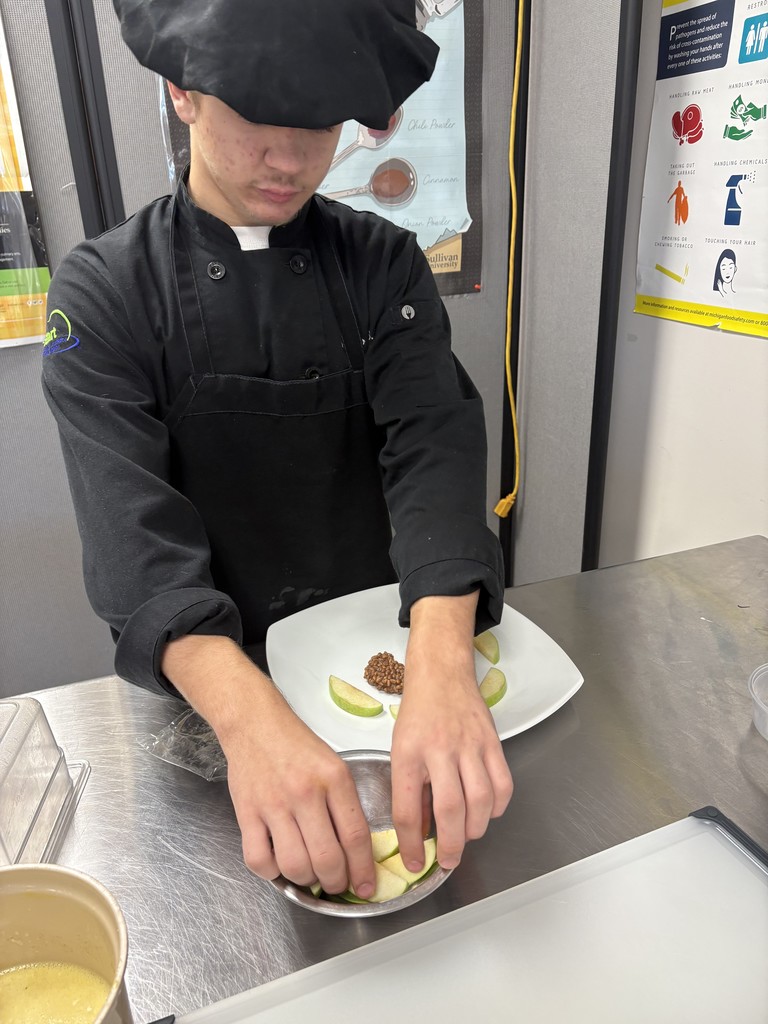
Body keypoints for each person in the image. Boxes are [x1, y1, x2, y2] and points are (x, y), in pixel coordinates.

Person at [42, 0, 513, 900]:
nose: (294, 159)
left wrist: (442, 665)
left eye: (321, 121)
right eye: (259, 115)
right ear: (182, 90)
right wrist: (250, 723)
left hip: (381, 677)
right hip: (212, 706)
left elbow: (434, 447)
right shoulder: (104, 290)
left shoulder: (384, 264)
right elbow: (131, 537)